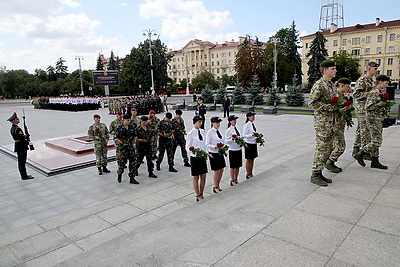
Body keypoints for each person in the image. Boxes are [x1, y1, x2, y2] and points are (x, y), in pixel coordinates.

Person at [308, 60, 337, 186]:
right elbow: (312, 102)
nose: (335, 71)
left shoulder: (330, 85)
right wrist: (328, 107)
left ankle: (319, 172)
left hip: (331, 122)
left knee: (329, 147)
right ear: (325, 70)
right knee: (322, 147)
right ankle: (315, 174)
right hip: (322, 123)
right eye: (333, 68)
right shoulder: (319, 85)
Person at [354, 74, 390, 169]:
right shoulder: (374, 92)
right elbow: (368, 107)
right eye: (386, 83)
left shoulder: (378, 92)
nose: (387, 85)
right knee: (377, 141)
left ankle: (375, 160)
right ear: (380, 82)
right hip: (373, 119)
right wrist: (380, 104)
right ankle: (360, 154)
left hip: (377, 119)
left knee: (375, 140)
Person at [352, 61, 379, 158]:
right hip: (361, 108)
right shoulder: (362, 80)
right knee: (364, 129)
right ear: (369, 69)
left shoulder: (371, 81)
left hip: (367, 107)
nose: (376, 71)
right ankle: (364, 152)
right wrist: (366, 94)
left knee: (360, 128)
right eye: (375, 69)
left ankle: (356, 148)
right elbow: (355, 94)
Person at [326, 78, 352, 173]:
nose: (348, 88)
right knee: (341, 146)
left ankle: (330, 162)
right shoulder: (336, 96)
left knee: (335, 145)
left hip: (340, 125)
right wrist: (346, 108)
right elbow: (334, 111)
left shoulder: (341, 95)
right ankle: (330, 162)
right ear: (342, 86)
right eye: (347, 86)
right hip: (335, 125)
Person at [186, 115, 208, 201]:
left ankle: (201, 192)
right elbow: (187, 147)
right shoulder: (191, 133)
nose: (200, 123)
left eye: (201, 122)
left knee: (203, 175)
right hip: (195, 157)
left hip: (202, 156)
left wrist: (206, 153)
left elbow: (204, 144)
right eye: (199, 122)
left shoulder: (202, 131)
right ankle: (197, 194)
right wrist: (194, 150)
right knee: (196, 177)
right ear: (195, 122)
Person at [7, 112, 34, 180]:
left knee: (21, 162)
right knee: (22, 162)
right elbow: (21, 139)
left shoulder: (13, 128)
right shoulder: (17, 129)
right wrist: (28, 143)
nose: (18, 119)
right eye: (17, 119)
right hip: (21, 147)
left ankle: (23, 175)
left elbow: (19, 137)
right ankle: (24, 176)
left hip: (18, 146)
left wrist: (25, 136)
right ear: (14, 121)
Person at [114, 114, 139, 184]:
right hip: (123, 148)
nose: (129, 121)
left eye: (129, 120)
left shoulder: (132, 127)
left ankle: (132, 177)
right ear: (123, 120)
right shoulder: (119, 128)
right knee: (122, 163)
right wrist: (122, 143)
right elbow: (115, 138)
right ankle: (120, 174)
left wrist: (134, 142)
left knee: (133, 163)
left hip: (131, 148)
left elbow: (135, 136)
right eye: (127, 120)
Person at [206, 116, 226, 193]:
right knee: (216, 171)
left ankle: (218, 184)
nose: (218, 124)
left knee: (221, 169)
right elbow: (207, 144)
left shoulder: (219, 131)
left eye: (219, 123)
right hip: (213, 153)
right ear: (212, 123)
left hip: (219, 152)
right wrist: (215, 146)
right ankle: (215, 186)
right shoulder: (210, 132)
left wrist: (222, 148)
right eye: (216, 123)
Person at [225, 115, 242, 186]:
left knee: (237, 166)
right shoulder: (228, 130)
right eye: (233, 120)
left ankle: (236, 178)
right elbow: (227, 141)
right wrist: (232, 139)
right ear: (230, 121)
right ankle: (232, 180)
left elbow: (241, 136)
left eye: (235, 120)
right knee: (232, 166)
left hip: (238, 148)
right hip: (232, 149)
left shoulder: (237, 128)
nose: (235, 121)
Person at [243, 111, 259, 180]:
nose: (253, 117)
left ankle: (251, 172)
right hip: (249, 143)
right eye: (252, 116)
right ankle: (248, 173)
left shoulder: (252, 124)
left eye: (254, 116)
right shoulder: (247, 125)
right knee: (249, 159)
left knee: (252, 158)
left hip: (253, 143)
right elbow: (244, 135)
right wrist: (252, 135)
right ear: (248, 117)